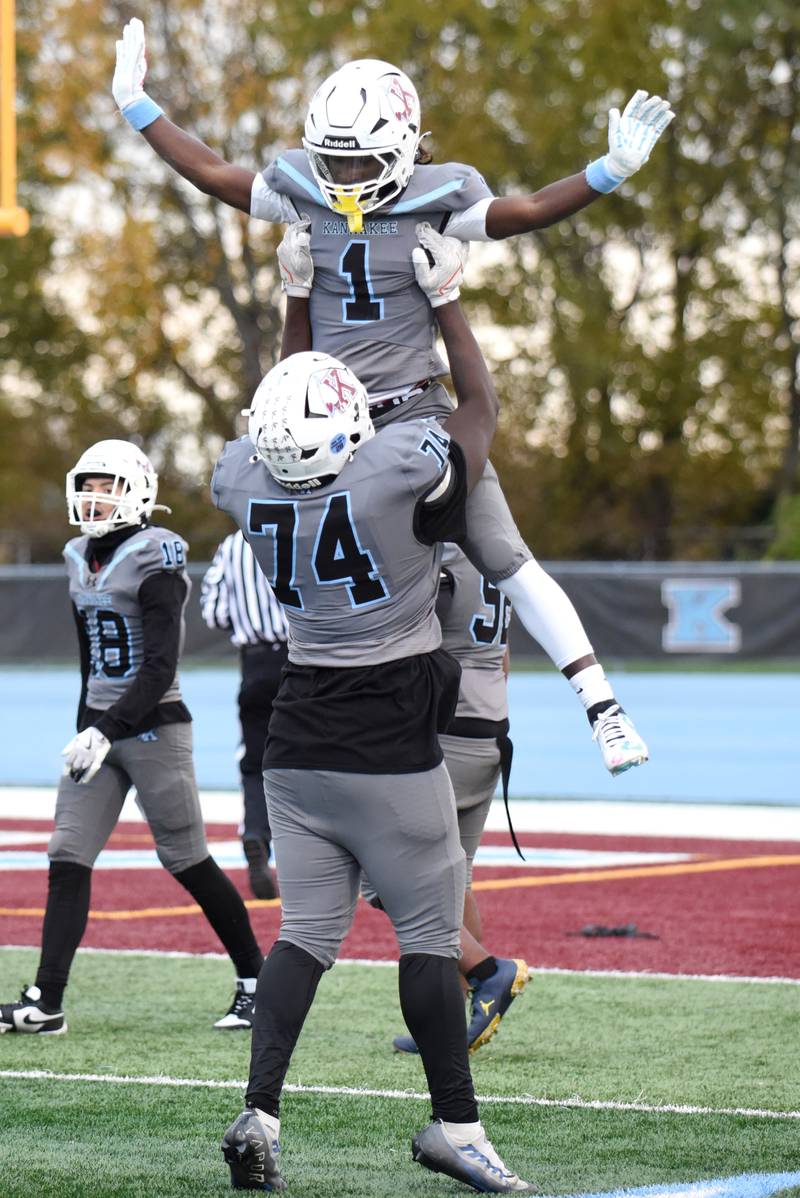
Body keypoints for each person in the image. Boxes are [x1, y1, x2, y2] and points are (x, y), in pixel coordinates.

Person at [112, 20, 672, 775]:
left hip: (412, 410)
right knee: (285, 537)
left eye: (363, 158)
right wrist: (138, 107)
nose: (344, 176)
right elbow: (214, 173)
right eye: (333, 159)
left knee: (503, 552)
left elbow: (530, 210)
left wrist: (606, 171)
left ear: (406, 143)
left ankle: (601, 705)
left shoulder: (440, 198)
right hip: (317, 422)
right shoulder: (301, 188)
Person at [211, 265, 536, 1186]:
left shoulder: (245, 485)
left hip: (298, 737)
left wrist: (290, 300)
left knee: (306, 939)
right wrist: (445, 300)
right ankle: (456, 1129)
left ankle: (261, 1111)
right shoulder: (396, 473)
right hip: (390, 736)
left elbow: (271, 422)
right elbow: (478, 408)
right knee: (430, 943)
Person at [0, 441, 264, 1036]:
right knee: (67, 856)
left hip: (153, 728)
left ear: (138, 492)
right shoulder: (75, 556)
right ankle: (47, 1001)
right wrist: (85, 727)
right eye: (88, 485)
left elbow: (158, 668)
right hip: (99, 731)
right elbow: (89, 660)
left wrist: (104, 728)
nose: (95, 497)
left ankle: (255, 978)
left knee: (187, 859)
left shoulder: (156, 557)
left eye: (108, 486)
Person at [384, 542, 528, 1056]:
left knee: (381, 877)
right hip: (490, 728)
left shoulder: (436, 554)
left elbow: (405, 642)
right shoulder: (494, 551)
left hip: (445, 729)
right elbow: (504, 656)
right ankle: (461, 1018)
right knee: (456, 874)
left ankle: (490, 973)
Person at [201, 529, 289, 899]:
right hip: (305, 657)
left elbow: (214, 612)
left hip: (254, 664)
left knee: (255, 762)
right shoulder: (304, 527)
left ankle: (256, 833)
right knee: (321, 755)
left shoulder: (233, 544)